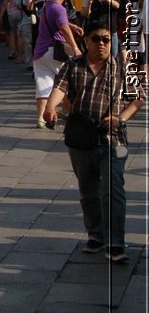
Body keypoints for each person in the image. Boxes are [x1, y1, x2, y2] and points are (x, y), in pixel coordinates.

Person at [44, 22, 145, 262]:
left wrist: (120, 118)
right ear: (86, 41)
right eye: (96, 39)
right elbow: (59, 88)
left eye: (106, 40)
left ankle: (116, 242)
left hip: (113, 139)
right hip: (81, 136)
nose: (102, 44)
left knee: (113, 190)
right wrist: (49, 107)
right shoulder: (73, 66)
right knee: (88, 190)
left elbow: (138, 99)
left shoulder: (121, 69)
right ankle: (96, 235)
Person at [32, 0, 82, 128]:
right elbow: (63, 28)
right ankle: (68, 110)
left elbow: (58, 23)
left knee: (43, 85)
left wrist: (71, 26)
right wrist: (75, 47)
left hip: (40, 52)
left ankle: (40, 117)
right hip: (55, 51)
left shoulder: (45, 7)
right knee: (65, 82)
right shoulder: (59, 8)